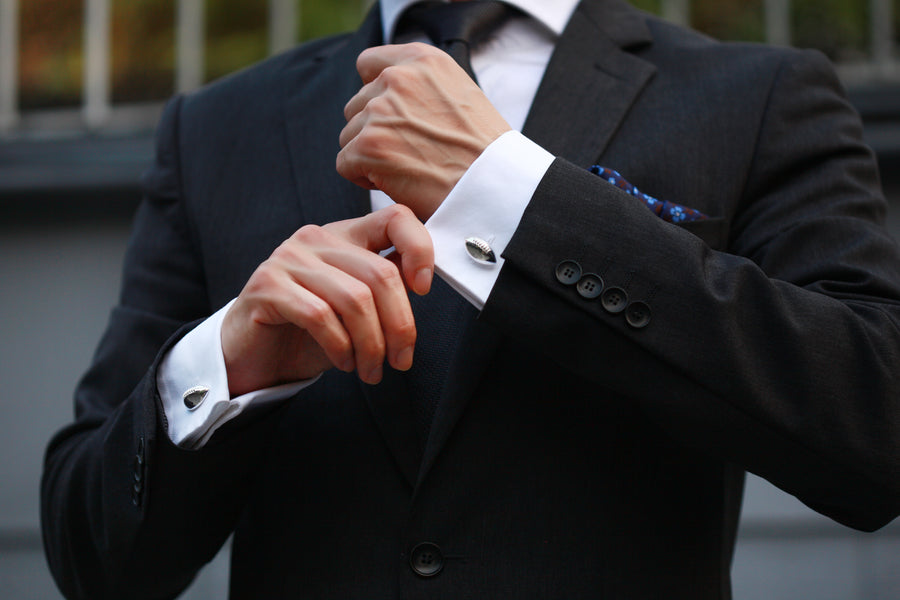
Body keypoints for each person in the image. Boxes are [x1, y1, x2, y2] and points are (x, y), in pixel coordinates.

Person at [42, 0, 900, 598]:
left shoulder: (758, 96)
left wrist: (510, 191)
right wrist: (225, 367)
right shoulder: (214, 128)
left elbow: (874, 427)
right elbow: (89, 557)